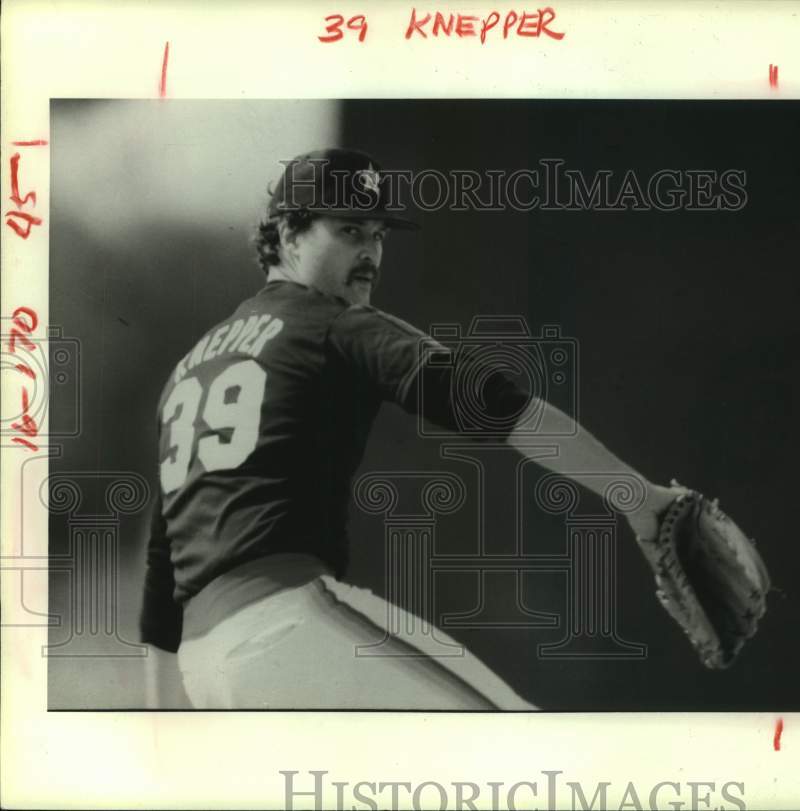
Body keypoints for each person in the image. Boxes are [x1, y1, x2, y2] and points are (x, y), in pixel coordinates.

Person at [140, 148, 686, 710]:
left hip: (206, 670)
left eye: (378, 234)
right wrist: (644, 501)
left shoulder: (191, 367)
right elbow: (496, 407)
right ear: (287, 234)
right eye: (348, 229)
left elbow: (165, 576)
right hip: (289, 629)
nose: (370, 253)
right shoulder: (331, 322)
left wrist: (164, 729)